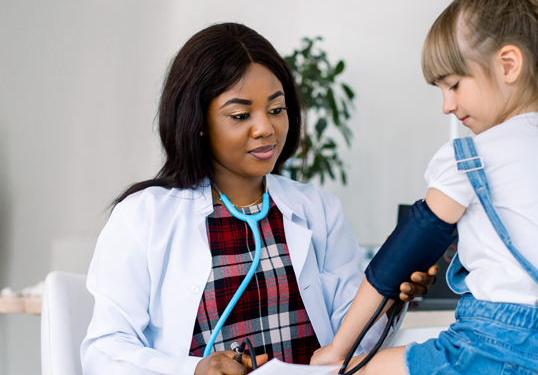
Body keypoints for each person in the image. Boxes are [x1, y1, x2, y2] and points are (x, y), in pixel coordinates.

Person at [80, 23, 437, 375]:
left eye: (276, 109)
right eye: (240, 115)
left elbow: (351, 348)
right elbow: (105, 352)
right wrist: (193, 371)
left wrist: (389, 292)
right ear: (198, 121)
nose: (265, 128)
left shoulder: (318, 210)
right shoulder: (144, 216)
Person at [310, 0, 538, 374]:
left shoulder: (472, 157)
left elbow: (399, 260)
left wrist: (337, 349)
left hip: (492, 348)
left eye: (453, 85)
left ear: (508, 65)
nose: (447, 106)